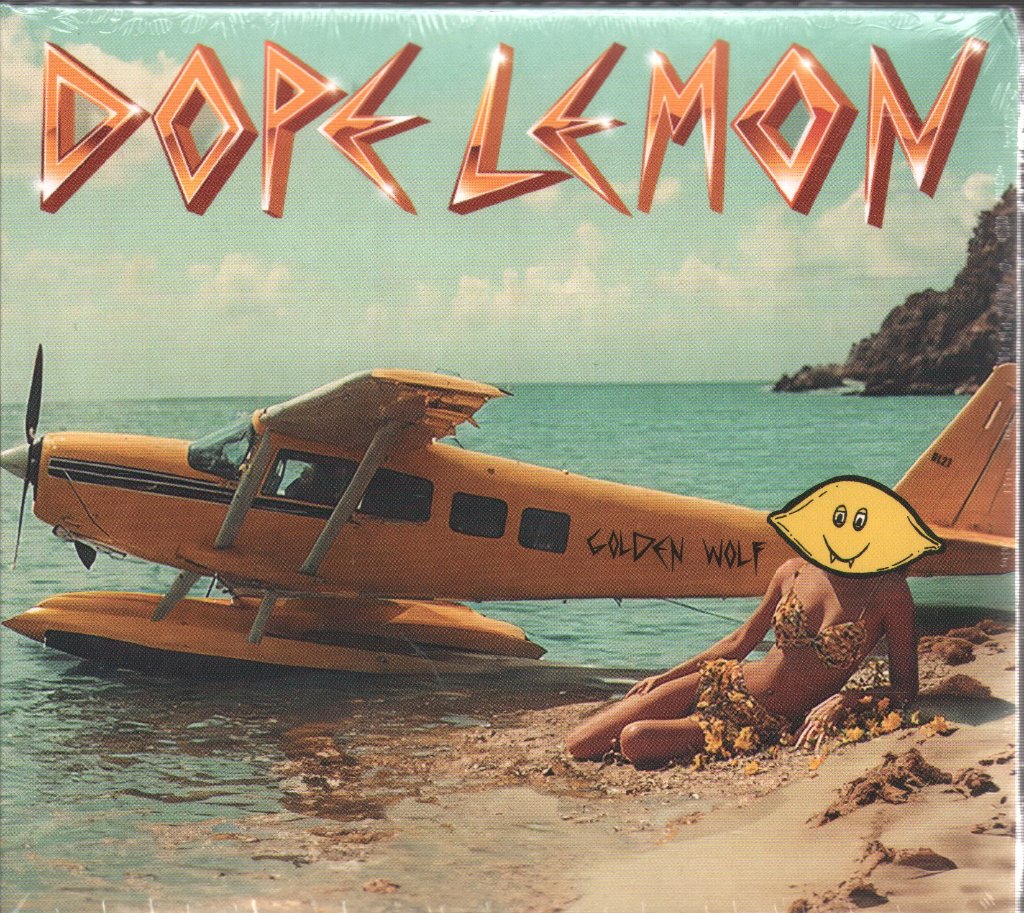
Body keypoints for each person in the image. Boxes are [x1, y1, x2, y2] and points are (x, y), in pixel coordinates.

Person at [565, 477, 943, 768]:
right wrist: (664, 677)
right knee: (579, 745)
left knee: (634, 740)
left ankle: (681, 726)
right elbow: (740, 642)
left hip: (763, 720)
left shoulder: (890, 592)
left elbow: (905, 689)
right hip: (724, 680)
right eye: (838, 520)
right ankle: (679, 714)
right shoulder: (793, 570)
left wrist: (846, 700)